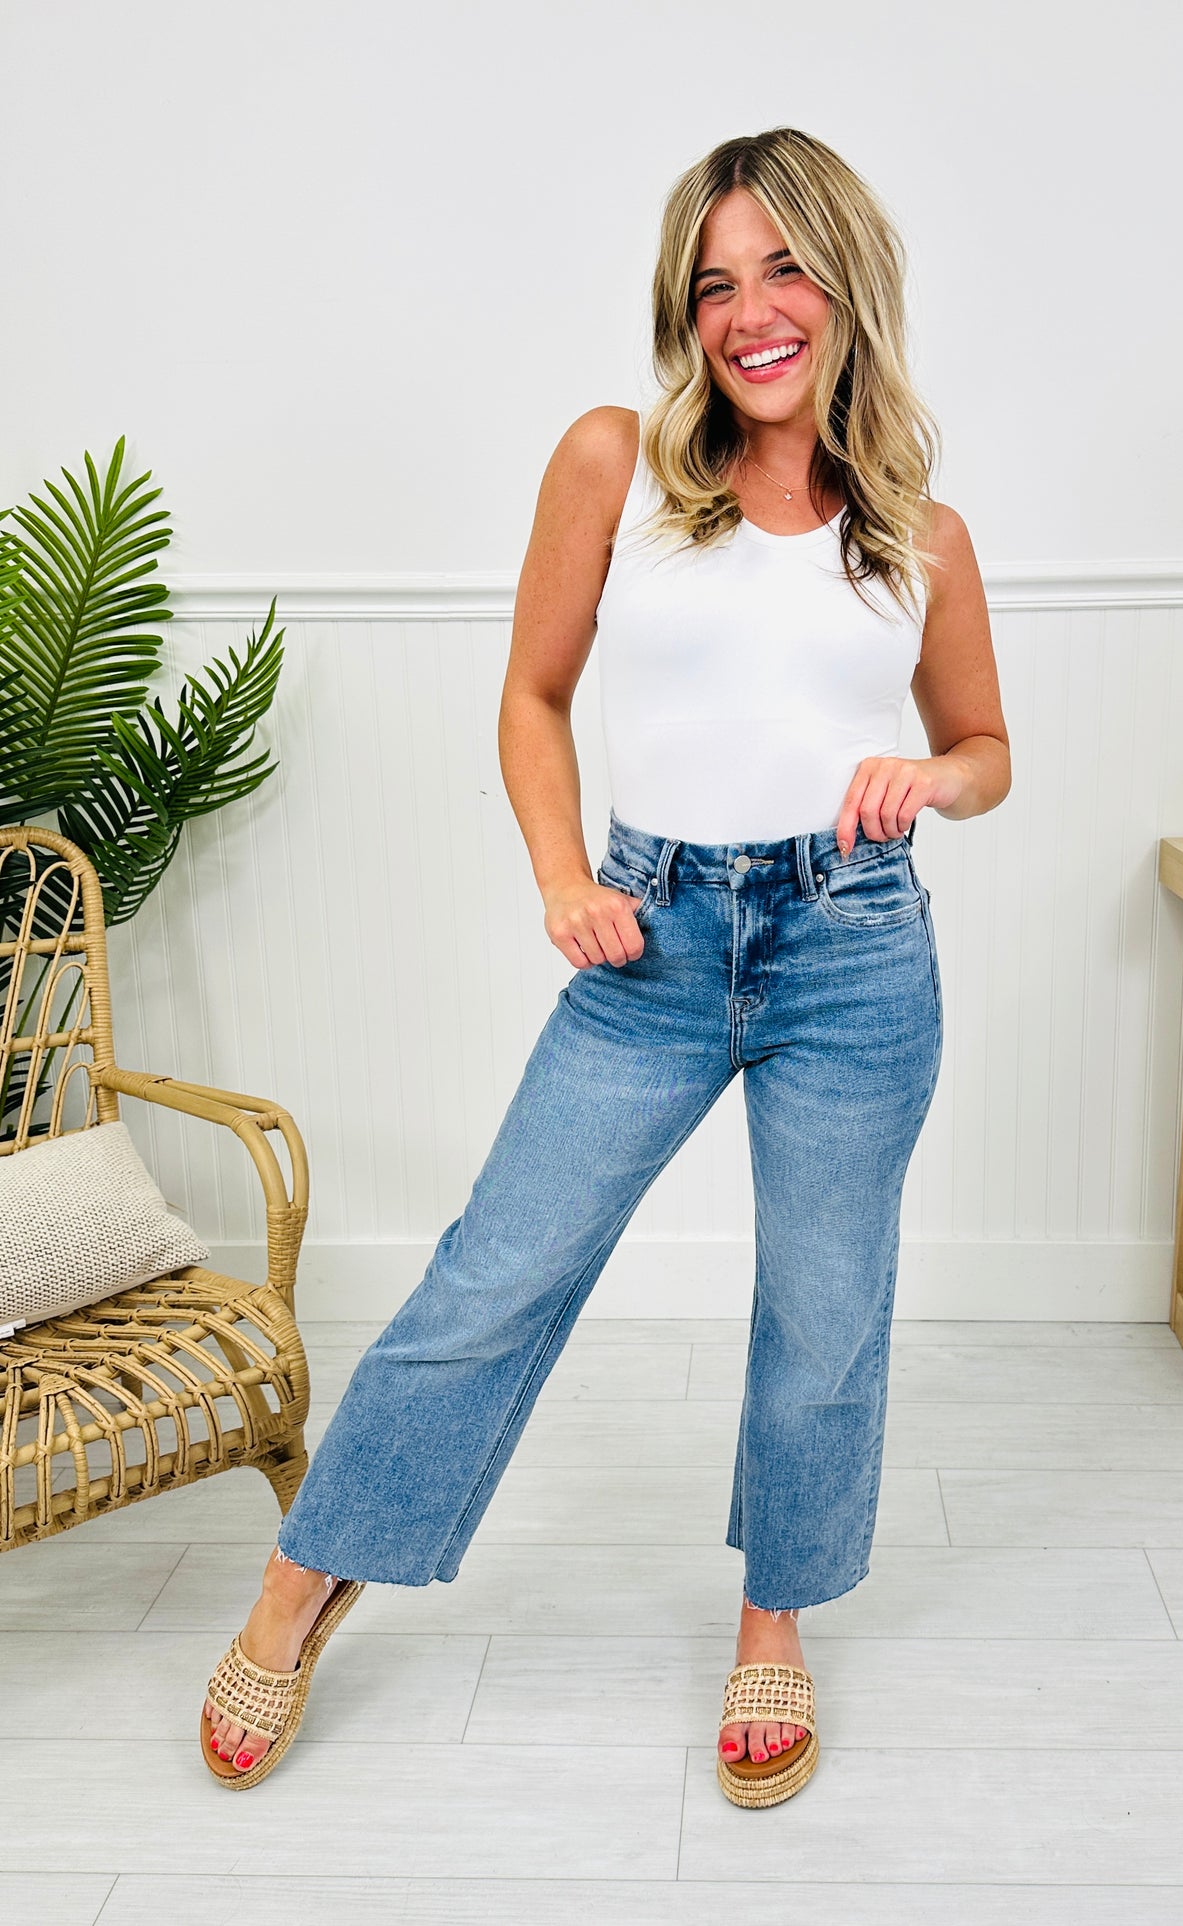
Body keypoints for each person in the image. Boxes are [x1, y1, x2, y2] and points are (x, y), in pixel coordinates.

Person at [199, 124, 1009, 1808]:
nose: (748, 312)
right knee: (494, 1272)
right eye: (713, 283)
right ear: (681, 311)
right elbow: (532, 693)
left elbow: (986, 747)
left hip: (855, 948)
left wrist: (933, 777)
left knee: (823, 1308)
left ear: (849, 286)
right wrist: (562, 874)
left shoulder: (919, 532)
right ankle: (300, 1580)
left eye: (784, 269)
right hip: (653, 933)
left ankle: (772, 1619)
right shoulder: (613, 463)